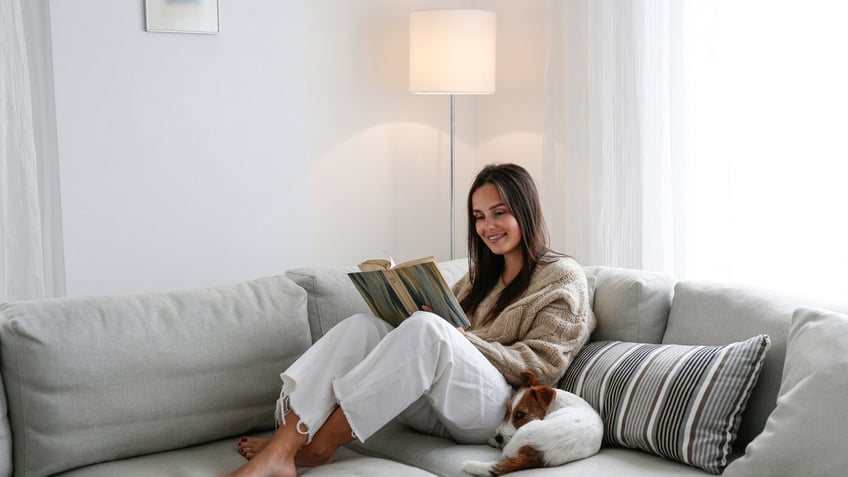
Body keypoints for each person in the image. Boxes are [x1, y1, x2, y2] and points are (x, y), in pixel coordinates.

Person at [224, 163, 595, 477]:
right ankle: (286, 446)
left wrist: (455, 335)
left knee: (428, 329)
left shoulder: (562, 277)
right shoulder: (480, 275)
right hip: (442, 403)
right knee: (363, 328)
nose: (487, 227)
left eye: (499, 212)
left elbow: (542, 369)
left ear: (526, 211)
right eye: (479, 217)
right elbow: (443, 340)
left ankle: (319, 448)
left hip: (496, 410)